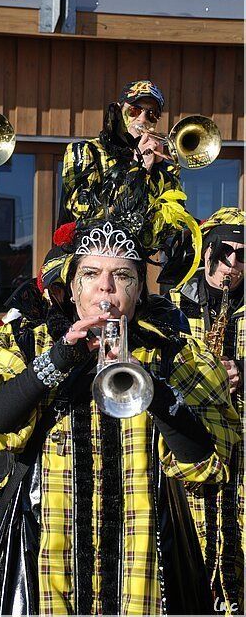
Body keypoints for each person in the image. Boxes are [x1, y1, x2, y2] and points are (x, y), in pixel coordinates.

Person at [0, 217, 239, 616]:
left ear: (138, 292)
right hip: (43, 554)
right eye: (91, 274)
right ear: (73, 289)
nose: (105, 287)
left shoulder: (177, 353)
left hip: (144, 563)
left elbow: (210, 462)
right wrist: (58, 359)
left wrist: (153, 389)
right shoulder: (26, 340)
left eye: (122, 276)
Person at [167, 207, 245, 614]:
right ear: (207, 250)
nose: (233, 263)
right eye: (225, 251)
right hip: (190, 447)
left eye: (243, 254)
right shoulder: (172, 305)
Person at [58, 79, 182, 226]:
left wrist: (159, 169)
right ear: (118, 111)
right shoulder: (86, 150)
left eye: (152, 114)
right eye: (134, 111)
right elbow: (84, 216)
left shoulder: (164, 167)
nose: (142, 119)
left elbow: (174, 223)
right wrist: (138, 170)